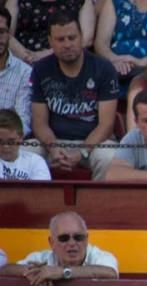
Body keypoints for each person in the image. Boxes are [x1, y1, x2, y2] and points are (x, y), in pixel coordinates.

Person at [27, 12, 119, 179]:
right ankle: (36, 204)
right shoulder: (41, 69)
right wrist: (53, 148)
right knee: (26, 152)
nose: (67, 44)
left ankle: (102, 205)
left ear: (81, 37)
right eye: (60, 39)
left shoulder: (103, 68)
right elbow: (39, 123)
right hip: (53, 142)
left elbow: (106, 125)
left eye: (72, 37)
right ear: (50, 42)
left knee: (110, 158)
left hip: (93, 143)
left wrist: (82, 152)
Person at [0, 211, 119, 286]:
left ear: (86, 239)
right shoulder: (42, 258)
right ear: (52, 243)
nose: (72, 243)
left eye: (78, 237)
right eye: (64, 238)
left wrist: (63, 272)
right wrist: (32, 272)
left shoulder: (99, 256)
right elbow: (4, 270)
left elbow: (110, 273)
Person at [4, 0, 95, 65]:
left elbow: (86, 40)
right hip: (20, 60)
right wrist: (26, 56)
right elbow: (4, 31)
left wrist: (41, 56)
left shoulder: (83, 1)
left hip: (63, 60)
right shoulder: (15, 1)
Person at [0, 6, 31, 135]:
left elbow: (23, 123)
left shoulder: (25, 73)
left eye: (1, 32)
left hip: (8, 144)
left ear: (9, 34)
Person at [0, 108, 50, 180]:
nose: (6, 146)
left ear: (21, 137)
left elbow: (41, 190)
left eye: (11, 141)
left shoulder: (35, 161)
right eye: (0, 141)